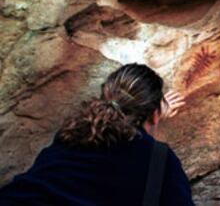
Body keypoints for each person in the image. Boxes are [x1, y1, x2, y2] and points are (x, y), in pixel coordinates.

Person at [0, 63, 194, 205]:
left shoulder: (72, 133)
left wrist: (153, 118)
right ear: (153, 115)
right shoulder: (159, 159)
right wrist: (154, 121)